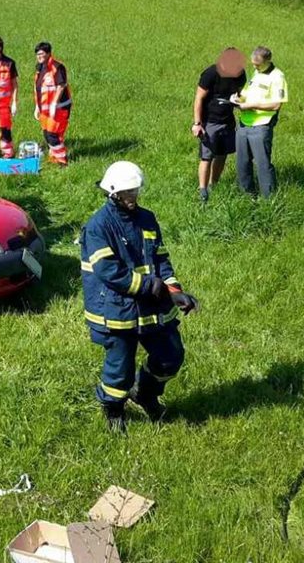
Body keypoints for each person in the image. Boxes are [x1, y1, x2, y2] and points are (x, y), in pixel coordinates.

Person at [81, 161, 200, 434]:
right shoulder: (98, 226)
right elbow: (108, 271)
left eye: (135, 191)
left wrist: (174, 291)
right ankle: (113, 408)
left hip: (152, 307)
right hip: (117, 310)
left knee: (170, 356)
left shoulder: (147, 219)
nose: (132, 196)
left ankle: (144, 393)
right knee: (119, 370)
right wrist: (149, 286)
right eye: (127, 192)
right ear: (113, 193)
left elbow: (160, 258)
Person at [192, 48, 248, 202]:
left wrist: (240, 102)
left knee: (222, 155)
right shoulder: (210, 73)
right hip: (210, 121)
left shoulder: (240, 74)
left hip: (227, 120)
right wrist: (197, 123)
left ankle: (213, 184)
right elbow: (199, 98)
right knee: (207, 156)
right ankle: (203, 190)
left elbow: (240, 94)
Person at [233, 46, 287, 199]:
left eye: (258, 65)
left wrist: (251, 105)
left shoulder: (277, 77)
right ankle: (247, 196)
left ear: (268, 61)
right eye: (253, 64)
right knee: (242, 162)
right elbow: (247, 93)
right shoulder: (256, 73)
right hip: (244, 123)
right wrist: (238, 99)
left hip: (262, 125)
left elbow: (276, 105)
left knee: (262, 163)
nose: (255, 67)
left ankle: (269, 199)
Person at [32, 41, 71, 166]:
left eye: (42, 54)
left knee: (52, 134)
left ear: (49, 53)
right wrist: (37, 107)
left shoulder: (57, 67)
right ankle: (54, 157)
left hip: (59, 108)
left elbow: (61, 85)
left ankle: (62, 161)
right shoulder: (39, 68)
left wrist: (54, 104)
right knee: (46, 133)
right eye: (37, 54)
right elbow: (38, 89)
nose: (39, 57)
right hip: (44, 109)